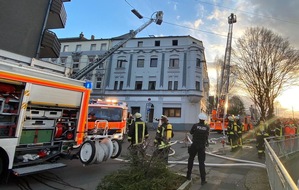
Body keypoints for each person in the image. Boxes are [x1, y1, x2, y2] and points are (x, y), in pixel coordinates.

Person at [186, 113, 209, 185]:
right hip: (202, 146)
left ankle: (188, 175)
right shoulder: (207, 127)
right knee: (201, 163)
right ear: (204, 120)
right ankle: (203, 180)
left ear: (199, 119)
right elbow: (206, 136)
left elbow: (191, 132)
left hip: (194, 145)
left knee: (191, 159)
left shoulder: (195, 125)